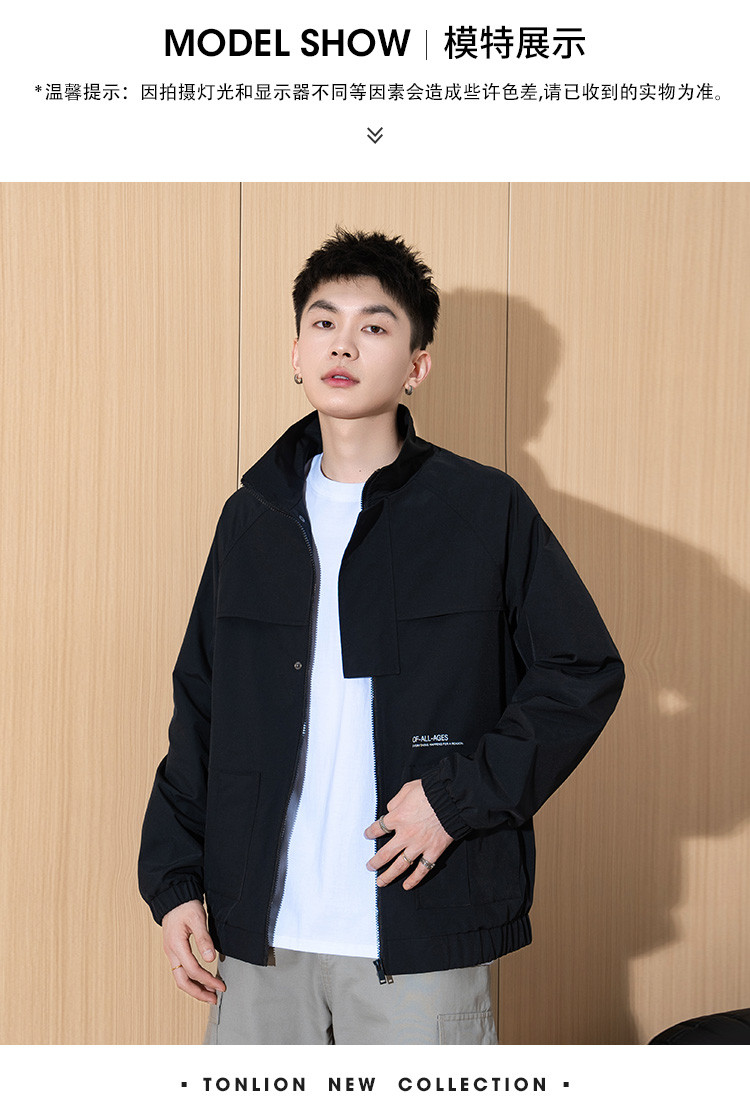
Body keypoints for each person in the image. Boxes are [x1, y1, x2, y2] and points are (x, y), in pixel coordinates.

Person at [138, 228, 625, 1045]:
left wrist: (456, 800)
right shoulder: (251, 519)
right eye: (324, 323)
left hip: (419, 931)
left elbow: (583, 669)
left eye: (374, 326)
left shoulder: (484, 509)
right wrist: (175, 880)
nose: (343, 344)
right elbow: (202, 706)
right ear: (296, 354)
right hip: (261, 937)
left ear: (415, 366)